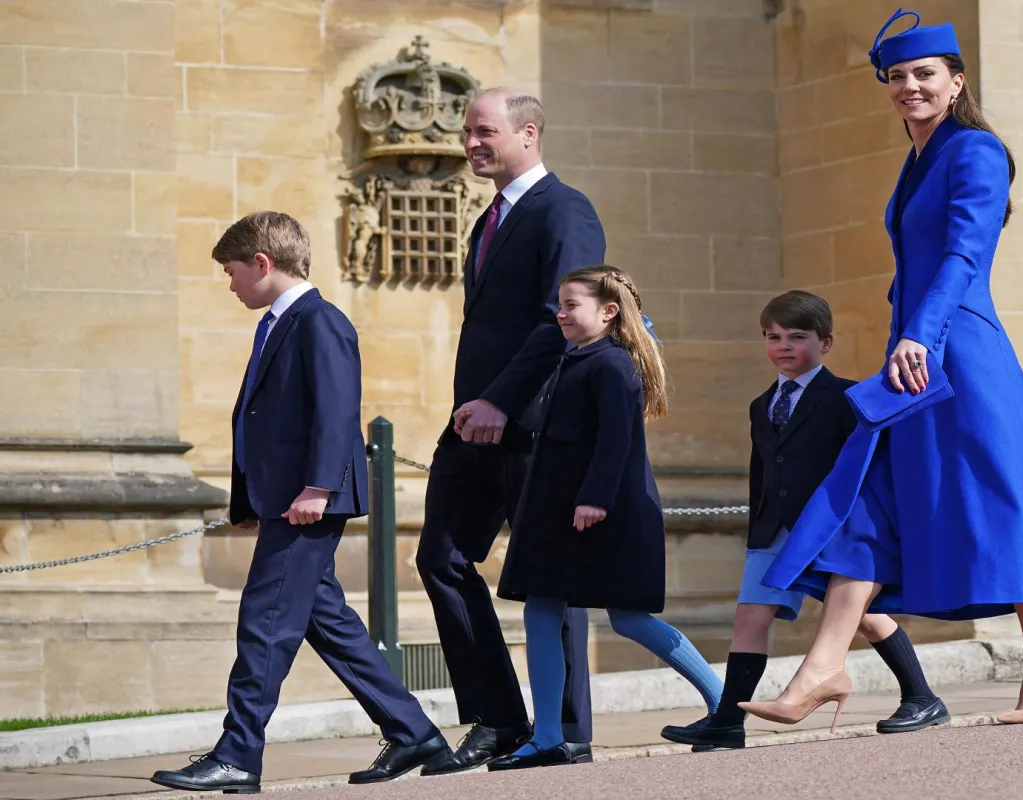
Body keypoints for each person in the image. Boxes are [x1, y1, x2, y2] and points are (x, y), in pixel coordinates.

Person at [741, 10, 1023, 731]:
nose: (909, 86)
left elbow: (965, 253)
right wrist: (907, 331)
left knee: (1005, 498)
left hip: (963, 354)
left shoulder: (976, 150)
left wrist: (919, 334)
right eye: (896, 76)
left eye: (925, 73)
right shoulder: (916, 158)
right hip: (916, 352)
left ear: (956, 81)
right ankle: (823, 668)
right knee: (867, 501)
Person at [151, 212, 451, 794]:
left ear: (262, 263)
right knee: (327, 621)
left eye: (231, 271)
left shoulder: (320, 320)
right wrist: (248, 500)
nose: (229, 283)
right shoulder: (278, 323)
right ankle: (414, 733)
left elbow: (337, 410)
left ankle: (238, 755)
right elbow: (259, 419)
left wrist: (319, 487)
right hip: (286, 500)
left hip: (307, 501)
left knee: (264, 622)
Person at [661, 291, 948, 751]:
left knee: (864, 617)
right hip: (773, 529)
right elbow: (762, 471)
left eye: (797, 337)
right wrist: (756, 532)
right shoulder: (760, 404)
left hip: (829, 528)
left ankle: (922, 696)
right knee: (751, 617)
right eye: (773, 337)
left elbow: (865, 467)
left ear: (825, 343)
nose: (783, 346)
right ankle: (727, 723)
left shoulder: (848, 397)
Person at [416, 87, 605, 775]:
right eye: (467, 132)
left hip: (535, 424)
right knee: (440, 559)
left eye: (484, 132)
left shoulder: (565, 209)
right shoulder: (487, 220)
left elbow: (565, 319)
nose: (470, 143)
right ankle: (498, 719)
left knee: (551, 573)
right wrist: (477, 406)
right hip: (475, 425)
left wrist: (501, 400)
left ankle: (568, 733)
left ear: (529, 133)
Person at [488, 265, 723, 770]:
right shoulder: (577, 359)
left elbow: (618, 439)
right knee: (540, 609)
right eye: (560, 304)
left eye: (571, 305)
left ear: (608, 311)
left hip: (604, 514)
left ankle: (725, 706)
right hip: (559, 514)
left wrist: (594, 499)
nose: (560, 313)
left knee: (629, 618)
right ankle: (547, 737)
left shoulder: (612, 364)